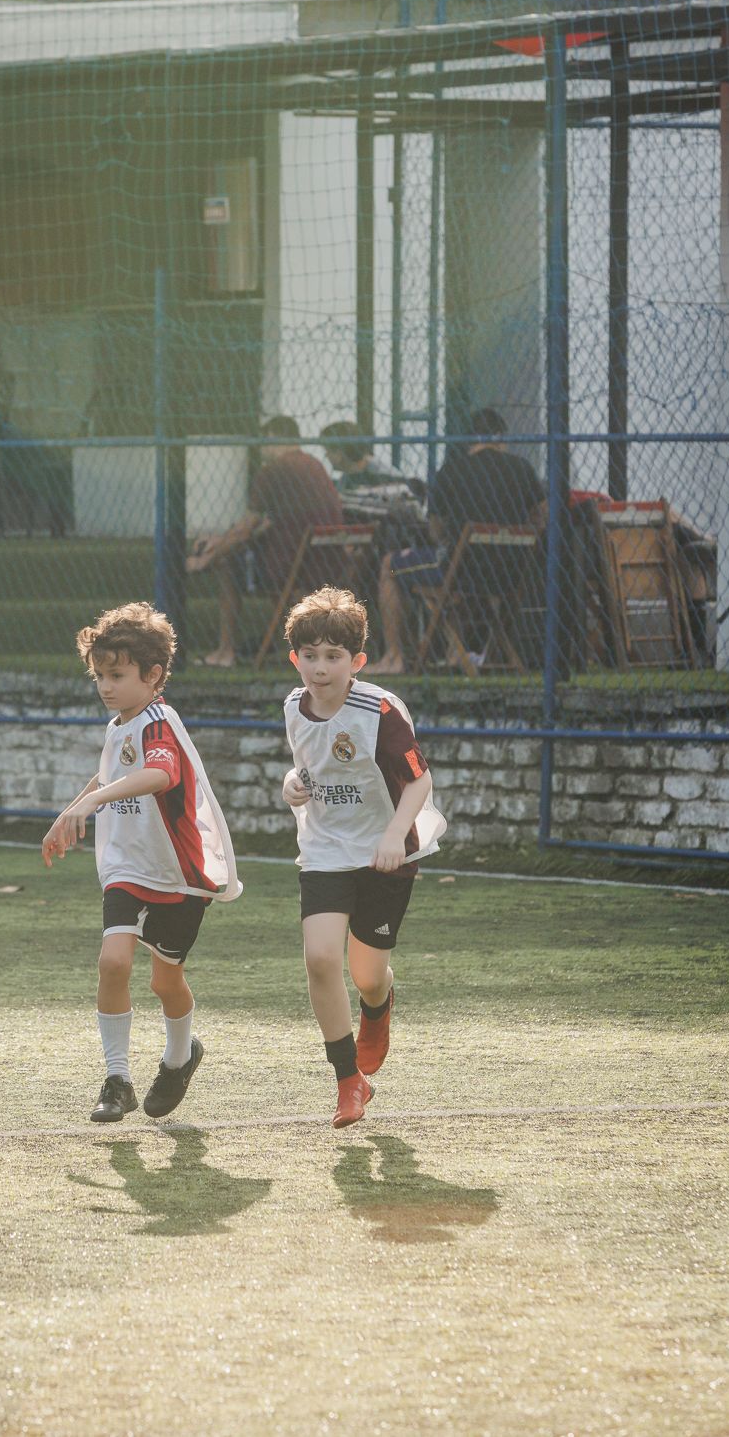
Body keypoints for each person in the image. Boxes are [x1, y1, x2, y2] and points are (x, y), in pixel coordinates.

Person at [41, 601, 241, 1124]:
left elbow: (159, 776)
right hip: (127, 867)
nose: (106, 686)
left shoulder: (157, 725)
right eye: (99, 675)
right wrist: (69, 812)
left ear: (152, 676)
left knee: (165, 982)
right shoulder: (120, 723)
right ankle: (117, 1078)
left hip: (178, 872)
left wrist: (92, 802)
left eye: (117, 675)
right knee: (113, 962)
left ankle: (180, 1058)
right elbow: (109, 776)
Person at [280, 586, 446, 1129]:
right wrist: (291, 785)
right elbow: (306, 767)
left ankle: (379, 1004)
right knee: (321, 959)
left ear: (358, 661)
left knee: (367, 973)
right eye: (310, 656)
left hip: (385, 851)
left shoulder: (378, 710)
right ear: (295, 658)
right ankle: (348, 1081)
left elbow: (420, 782)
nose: (320, 668)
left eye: (334, 657)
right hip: (325, 849)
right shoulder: (292, 706)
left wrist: (395, 834)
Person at [370, 407, 547, 674]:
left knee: (389, 566)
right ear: (503, 439)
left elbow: (435, 531)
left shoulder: (451, 471)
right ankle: (457, 652)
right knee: (452, 567)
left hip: (460, 573)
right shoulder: (522, 468)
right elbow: (541, 517)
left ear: (468, 440)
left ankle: (394, 656)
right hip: (511, 573)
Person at [186, 415, 343, 667]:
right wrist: (221, 540)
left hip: (288, 566)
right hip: (324, 561)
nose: (260, 449)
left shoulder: (272, 472)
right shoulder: (313, 465)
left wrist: (205, 558)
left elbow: (247, 529)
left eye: (263, 441)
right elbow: (267, 522)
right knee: (228, 548)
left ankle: (226, 651)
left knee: (227, 562)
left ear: (273, 438)